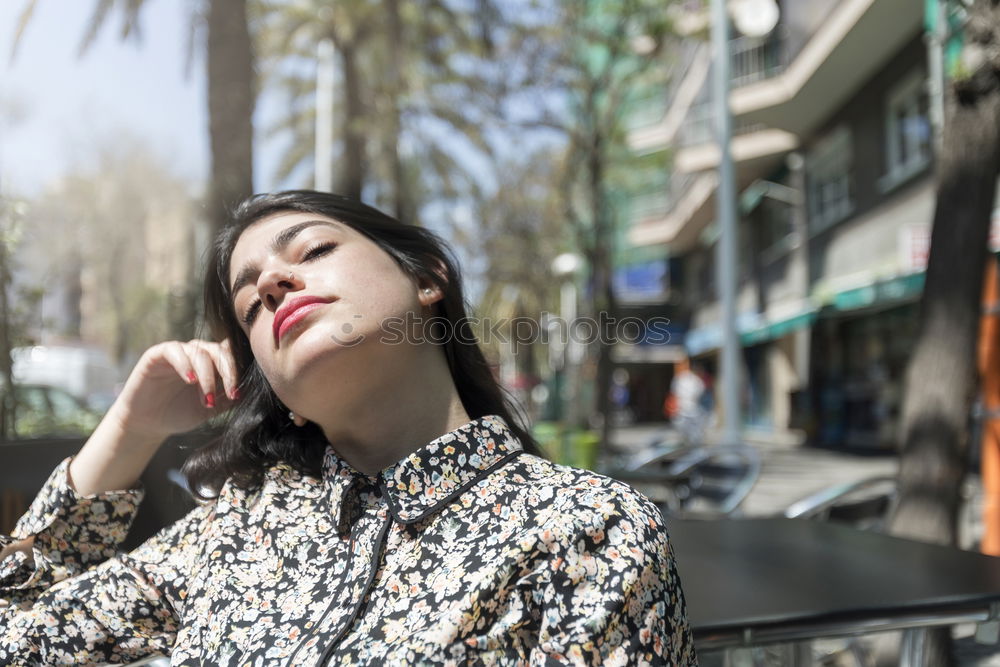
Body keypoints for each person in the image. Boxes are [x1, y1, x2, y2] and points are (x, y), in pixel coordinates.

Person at [0, 191, 696, 665]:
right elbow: (17, 636)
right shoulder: (238, 528)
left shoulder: (589, 528)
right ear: (280, 393)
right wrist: (130, 428)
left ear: (428, 279)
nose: (273, 282)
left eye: (310, 250)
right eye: (249, 305)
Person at [669, 357, 708, 446]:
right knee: (684, 433)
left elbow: (700, 392)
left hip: (693, 410)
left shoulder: (693, 379)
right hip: (682, 411)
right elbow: (674, 395)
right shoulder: (678, 379)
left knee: (695, 434)